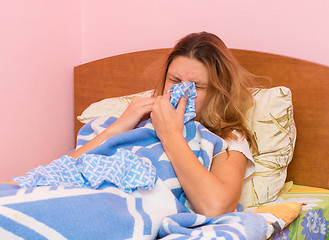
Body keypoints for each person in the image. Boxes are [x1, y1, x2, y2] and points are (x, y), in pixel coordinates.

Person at [69, 32, 257, 218]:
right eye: (174, 80)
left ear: (219, 92)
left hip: (127, 211)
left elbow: (216, 207)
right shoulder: (136, 122)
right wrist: (117, 128)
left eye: (197, 87)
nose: (181, 92)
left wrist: (170, 135)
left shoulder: (227, 138)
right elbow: (61, 170)